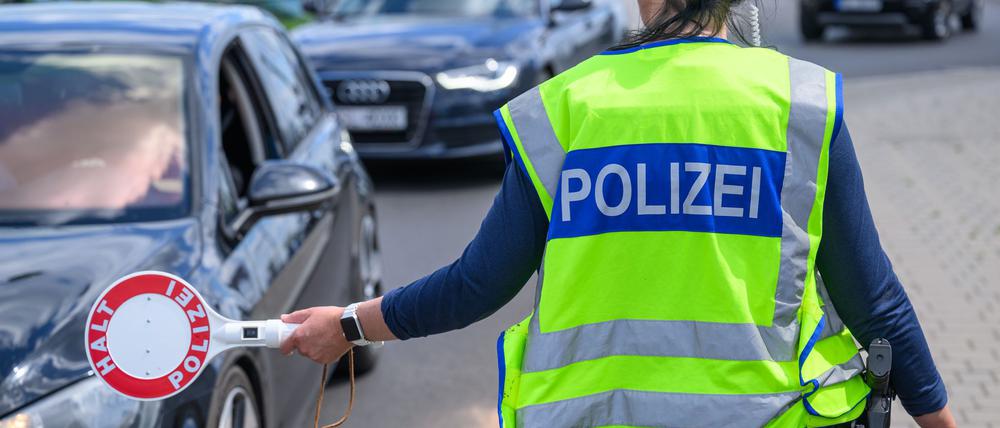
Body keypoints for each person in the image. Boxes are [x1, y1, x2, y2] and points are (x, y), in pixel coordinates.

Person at [280, 1, 956, 426]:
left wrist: (347, 325)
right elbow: (876, 301)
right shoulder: (800, 103)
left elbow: (476, 285)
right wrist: (941, 420)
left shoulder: (567, 108)